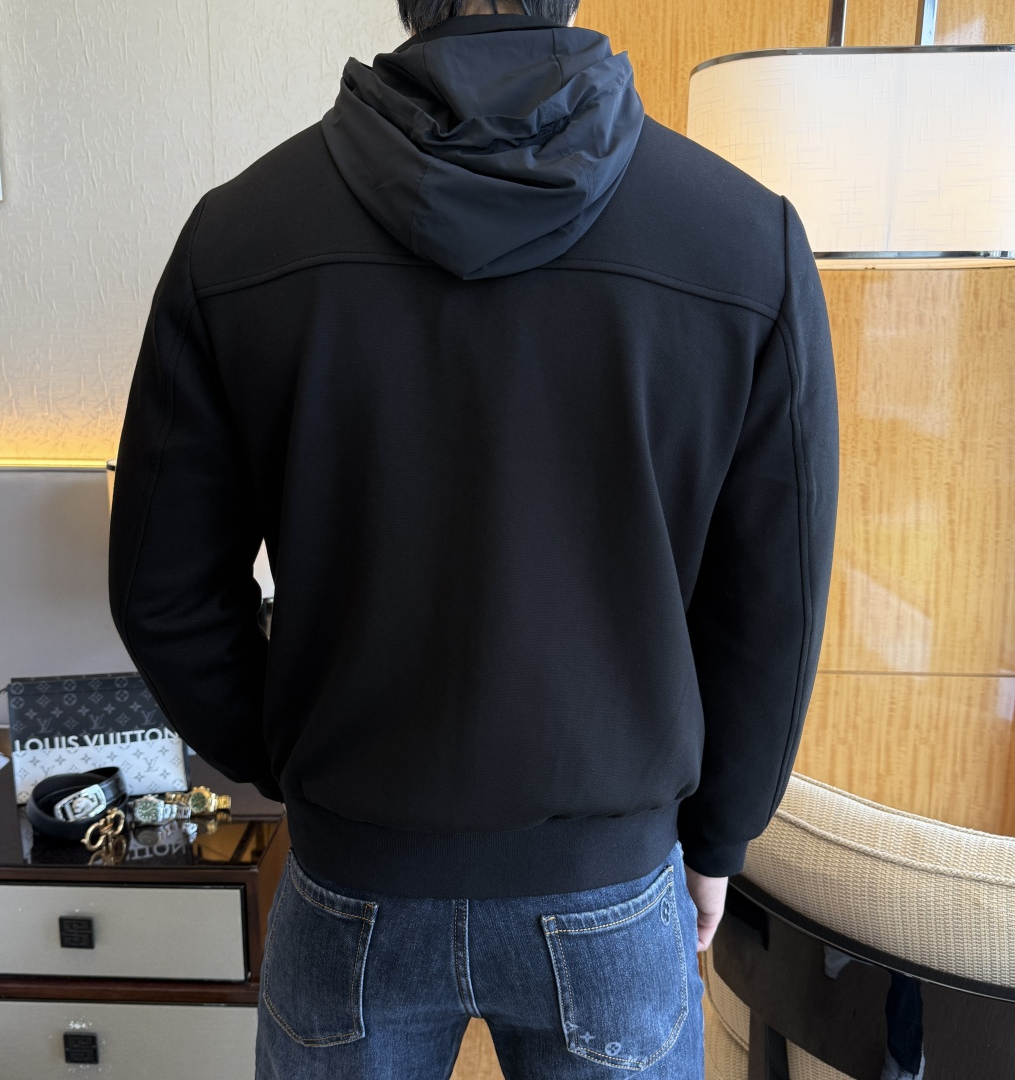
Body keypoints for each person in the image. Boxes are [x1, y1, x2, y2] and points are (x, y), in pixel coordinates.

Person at [108, 0, 839, 1076]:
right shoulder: (746, 239)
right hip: (610, 883)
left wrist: (299, 753)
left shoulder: (237, 237)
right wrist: (721, 831)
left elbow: (162, 593)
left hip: (352, 876)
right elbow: (774, 607)